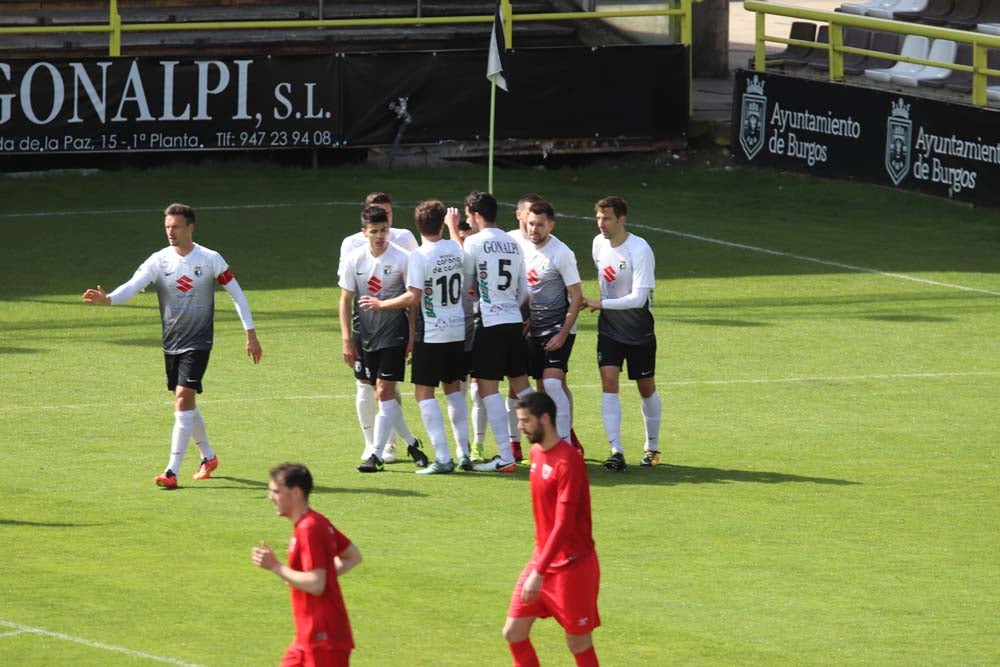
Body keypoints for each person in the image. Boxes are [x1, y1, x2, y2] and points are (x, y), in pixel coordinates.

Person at [82, 203, 262, 489]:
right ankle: (209, 457)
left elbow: (237, 296)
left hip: (199, 341)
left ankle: (171, 470)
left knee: (182, 397)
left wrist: (250, 333)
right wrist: (109, 300)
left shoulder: (210, 259)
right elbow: (133, 285)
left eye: (176, 227)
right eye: (167, 227)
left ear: (190, 228)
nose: (170, 232)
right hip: (172, 342)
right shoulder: (159, 260)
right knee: (185, 402)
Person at [359, 200, 471, 474]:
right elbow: (464, 267)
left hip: (432, 333)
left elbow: (414, 296)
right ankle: (464, 452)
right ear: (442, 221)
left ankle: (443, 457)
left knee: (424, 394)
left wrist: (381, 304)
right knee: (454, 389)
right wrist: (454, 228)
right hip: (457, 329)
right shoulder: (456, 248)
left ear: (417, 224)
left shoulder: (419, 256)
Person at [503, 392, 601, 667]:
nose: (520, 427)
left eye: (525, 421)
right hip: (542, 561)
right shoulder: (536, 454)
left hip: (573, 567)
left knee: (578, 642)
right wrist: (539, 567)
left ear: (544, 419)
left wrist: (539, 571)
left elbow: (564, 523)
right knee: (514, 632)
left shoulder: (568, 461)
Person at [339, 205, 428, 473]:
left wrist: (411, 333)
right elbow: (345, 299)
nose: (380, 236)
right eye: (375, 231)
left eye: (384, 230)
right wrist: (346, 338)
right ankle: (413, 444)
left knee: (383, 391)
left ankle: (375, 454)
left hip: (394, 334)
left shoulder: (402, 258)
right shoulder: (354, 259)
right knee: (375, 393)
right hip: (363, 335)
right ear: (364, 232)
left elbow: (413, 298)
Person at [252, 462, 362, 667]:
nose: (270, 498)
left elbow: (316, 584)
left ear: (295, 492)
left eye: (276, 491)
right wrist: (297, 577)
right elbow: (353, 556)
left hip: (324, 640)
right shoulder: (316, 522)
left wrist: (277, 567)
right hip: (307, 638)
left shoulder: (310, 529)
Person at [584, 196, 661, 470]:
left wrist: (600, 303)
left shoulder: (639, 250)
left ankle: (652, 447)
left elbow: (638, 299)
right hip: (609, 330)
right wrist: (603, 307)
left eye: (607, 219)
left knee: (646, 387)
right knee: (609, 383)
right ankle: (615, 450)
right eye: (598, 218)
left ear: (622, 220)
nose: (601, 224)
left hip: (639, 330)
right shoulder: (597, 244)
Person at [461, 191, 533, 473]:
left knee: (488, 388)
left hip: (489, 324)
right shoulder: (514, 243)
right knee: (522, 386)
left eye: (469, 215)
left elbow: (467, 284)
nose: (468, 220)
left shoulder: (474, 242)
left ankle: (505, 456)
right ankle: (552, 443)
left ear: (476, 215)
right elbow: (524, 290)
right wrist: (510, 308)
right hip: (513, 321)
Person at [522, 200, 584, 444]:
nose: (534, 230)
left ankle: (566, 444)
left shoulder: (562, 253)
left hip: (560, 327)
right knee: (542, 387)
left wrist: (563, 334)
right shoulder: (525, 250)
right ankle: (555, 437)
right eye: (530, 224)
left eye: (539, 225)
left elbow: (577, 296)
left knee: (552, 383)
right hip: (534, 329)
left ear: (551, 225)